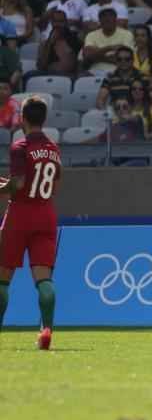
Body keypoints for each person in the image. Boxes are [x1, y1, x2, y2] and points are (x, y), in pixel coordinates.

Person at [0, 97, 59, 349]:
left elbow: (19, 184)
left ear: (22, 118)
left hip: (20, 215)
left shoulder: (20, 146)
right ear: (44, 119)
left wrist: (4, 187)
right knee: (44, 282)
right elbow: (54, 184)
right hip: (45, 214)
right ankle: (46, 332)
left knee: (2, 280)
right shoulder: (53, 149)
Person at [82, 6, 135, 73]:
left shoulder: (127, 34)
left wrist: (97, 56)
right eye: (104, 16)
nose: (107, 19)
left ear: (115, 19)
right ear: (99, 20)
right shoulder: (91, 35)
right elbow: (88, 56)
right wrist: (110, 48)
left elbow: (125, 59)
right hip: (94, 72)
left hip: (119, 73)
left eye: (111, 15)